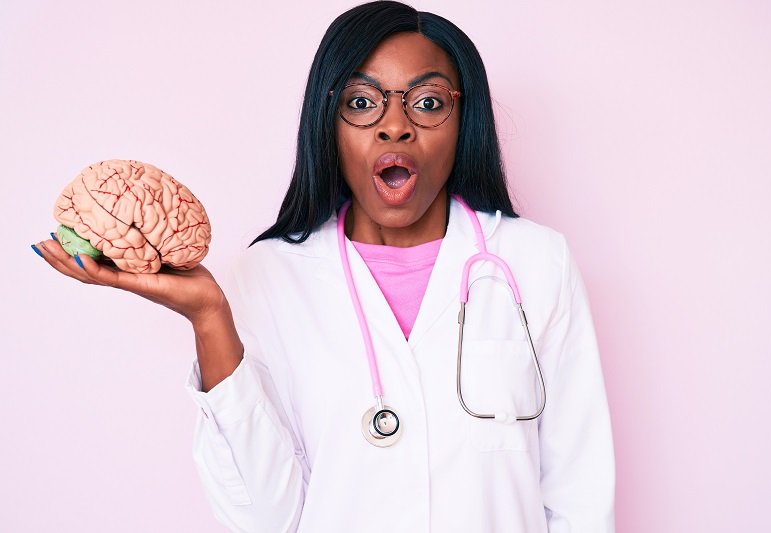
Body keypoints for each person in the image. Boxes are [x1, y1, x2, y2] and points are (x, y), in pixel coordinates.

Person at [32, 1, 615, 531]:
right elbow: (265, 519)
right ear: (327, 122)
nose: (395, 125)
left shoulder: (535, 263)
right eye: (362, 102)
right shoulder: (270, 275)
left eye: (429, 102)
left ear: (467, 123)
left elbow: (580, 496)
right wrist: (209, 317)